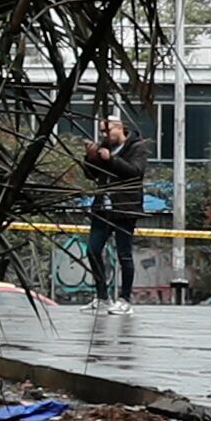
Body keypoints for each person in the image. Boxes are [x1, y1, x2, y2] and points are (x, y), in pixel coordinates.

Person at [79, 114, 146, 303]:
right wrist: (90, 158)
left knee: (124, 254)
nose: (104, 134)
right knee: (92, 250)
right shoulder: (104, 147)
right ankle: (101, 296)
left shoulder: (136, 147)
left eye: (107, 130)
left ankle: (125, 298)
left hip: (125, 209)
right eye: (101, 131)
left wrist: (111, 160)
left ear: (119, 128)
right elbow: (92, 175)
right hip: (103, 208)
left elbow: (135, 173)